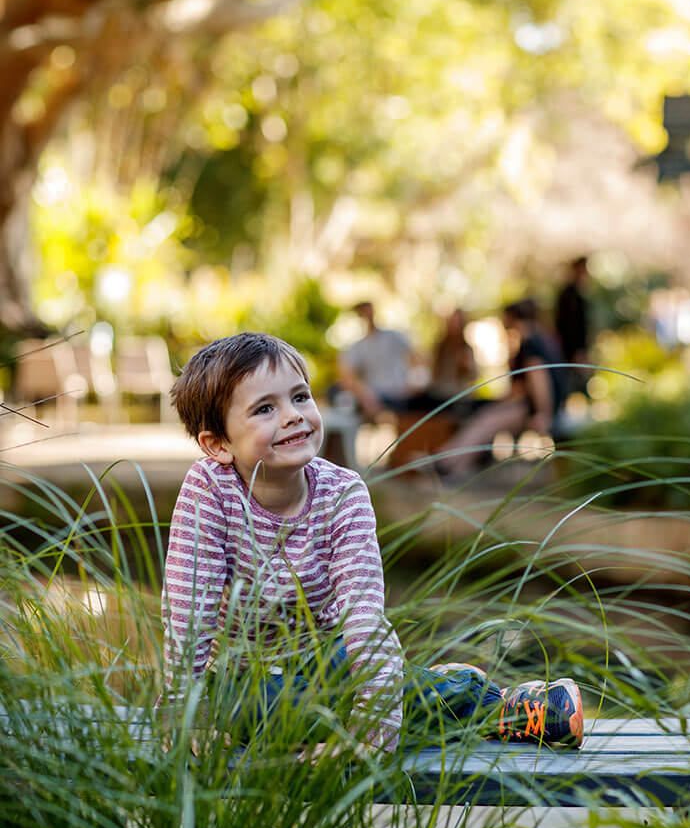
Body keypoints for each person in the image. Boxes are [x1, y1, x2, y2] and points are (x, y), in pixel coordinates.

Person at [160, 331, 583, 756]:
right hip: (245, 671)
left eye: (301, 397)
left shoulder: (343, 493)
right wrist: (181, 717)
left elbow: (364, 619)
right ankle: (418, 689)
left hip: (331, 658)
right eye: (265, 408)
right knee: (251, 708)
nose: (293, 416)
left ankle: (497, 706)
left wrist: (371, 732)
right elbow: (188, 612)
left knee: (362, 686)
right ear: (217, 444)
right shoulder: (209, 492)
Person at [437, 300, 567, 476]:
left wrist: (543, 413)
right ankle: (451, 463)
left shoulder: (531, 342)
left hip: (531, 409)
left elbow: (538, 379)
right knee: (485, 417)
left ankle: (444, 462)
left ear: (511, 318)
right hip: (534, 406)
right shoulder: (541, 338)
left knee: (486, 420)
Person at [338, 301, 414, 419]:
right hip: (373, 397)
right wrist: (365, 395)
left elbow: (416, 357)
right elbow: (347, 378)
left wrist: (413, 382)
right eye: (364, 312)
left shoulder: (394, 337)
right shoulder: (356, 347)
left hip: (398, 395)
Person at [555, 256, 591, 394]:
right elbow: (568, 324)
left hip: (577, 346)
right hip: (571, 347)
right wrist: (577, 349)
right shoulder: (569, 295)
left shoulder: (578, 293)